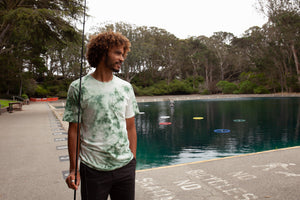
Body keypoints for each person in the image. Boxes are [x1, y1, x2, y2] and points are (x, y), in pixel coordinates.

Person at [63, 31, 139, 200]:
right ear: (103, 52)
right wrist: (73, 169)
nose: (122, 58)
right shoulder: (78, 87)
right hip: (92, 169)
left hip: (124, 168)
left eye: (123, 54)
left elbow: (130, 127)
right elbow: (74, 130)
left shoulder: (126, 88)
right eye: (118, 53)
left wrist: (132, 160)